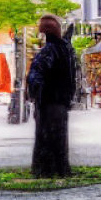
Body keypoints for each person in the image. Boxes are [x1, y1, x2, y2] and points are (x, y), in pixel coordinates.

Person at [27, 14, 75, 177]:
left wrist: (36, 95)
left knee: (47, 138)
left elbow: (34, 77)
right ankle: (57, 169)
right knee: (57, 139)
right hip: (56, 102)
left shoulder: (49, 51)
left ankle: (46, 170)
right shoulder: (62, 50)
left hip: (49, 102)